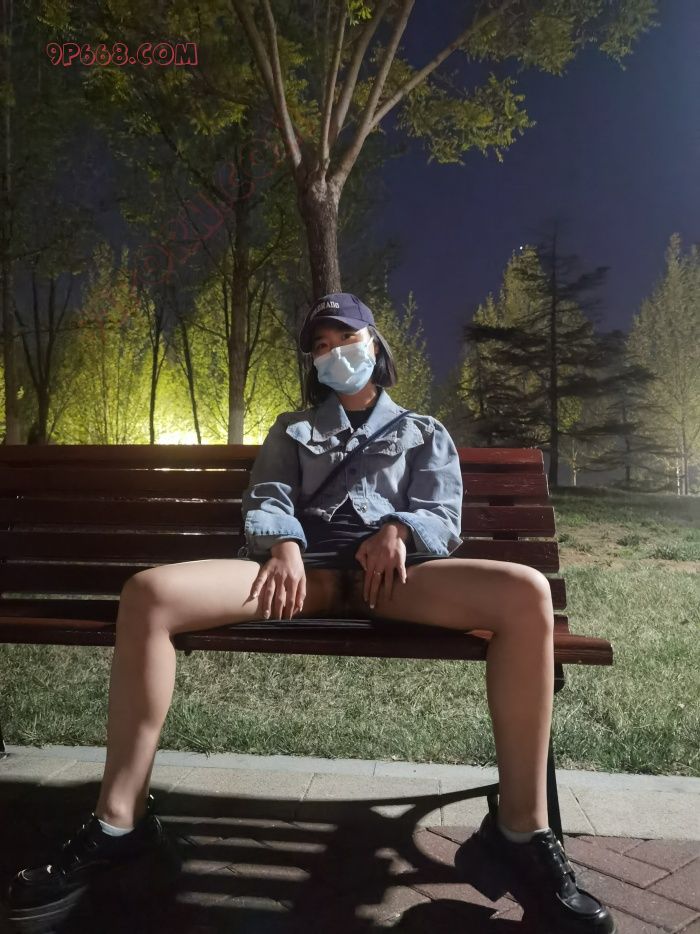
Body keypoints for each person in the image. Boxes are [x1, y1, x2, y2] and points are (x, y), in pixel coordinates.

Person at [3, 291, 616, 934]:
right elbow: (267, 494)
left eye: (344, 339)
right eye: (320, 346)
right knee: (148, 595)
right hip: (300, 579)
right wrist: (285, 545)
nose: (333, 353)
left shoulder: (423, 431)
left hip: (392, 583)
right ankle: (119, 822)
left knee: (527, 592)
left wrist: (399, 530)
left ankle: (520, 830)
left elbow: (442, 516)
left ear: (374, 345)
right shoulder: (292, 429)